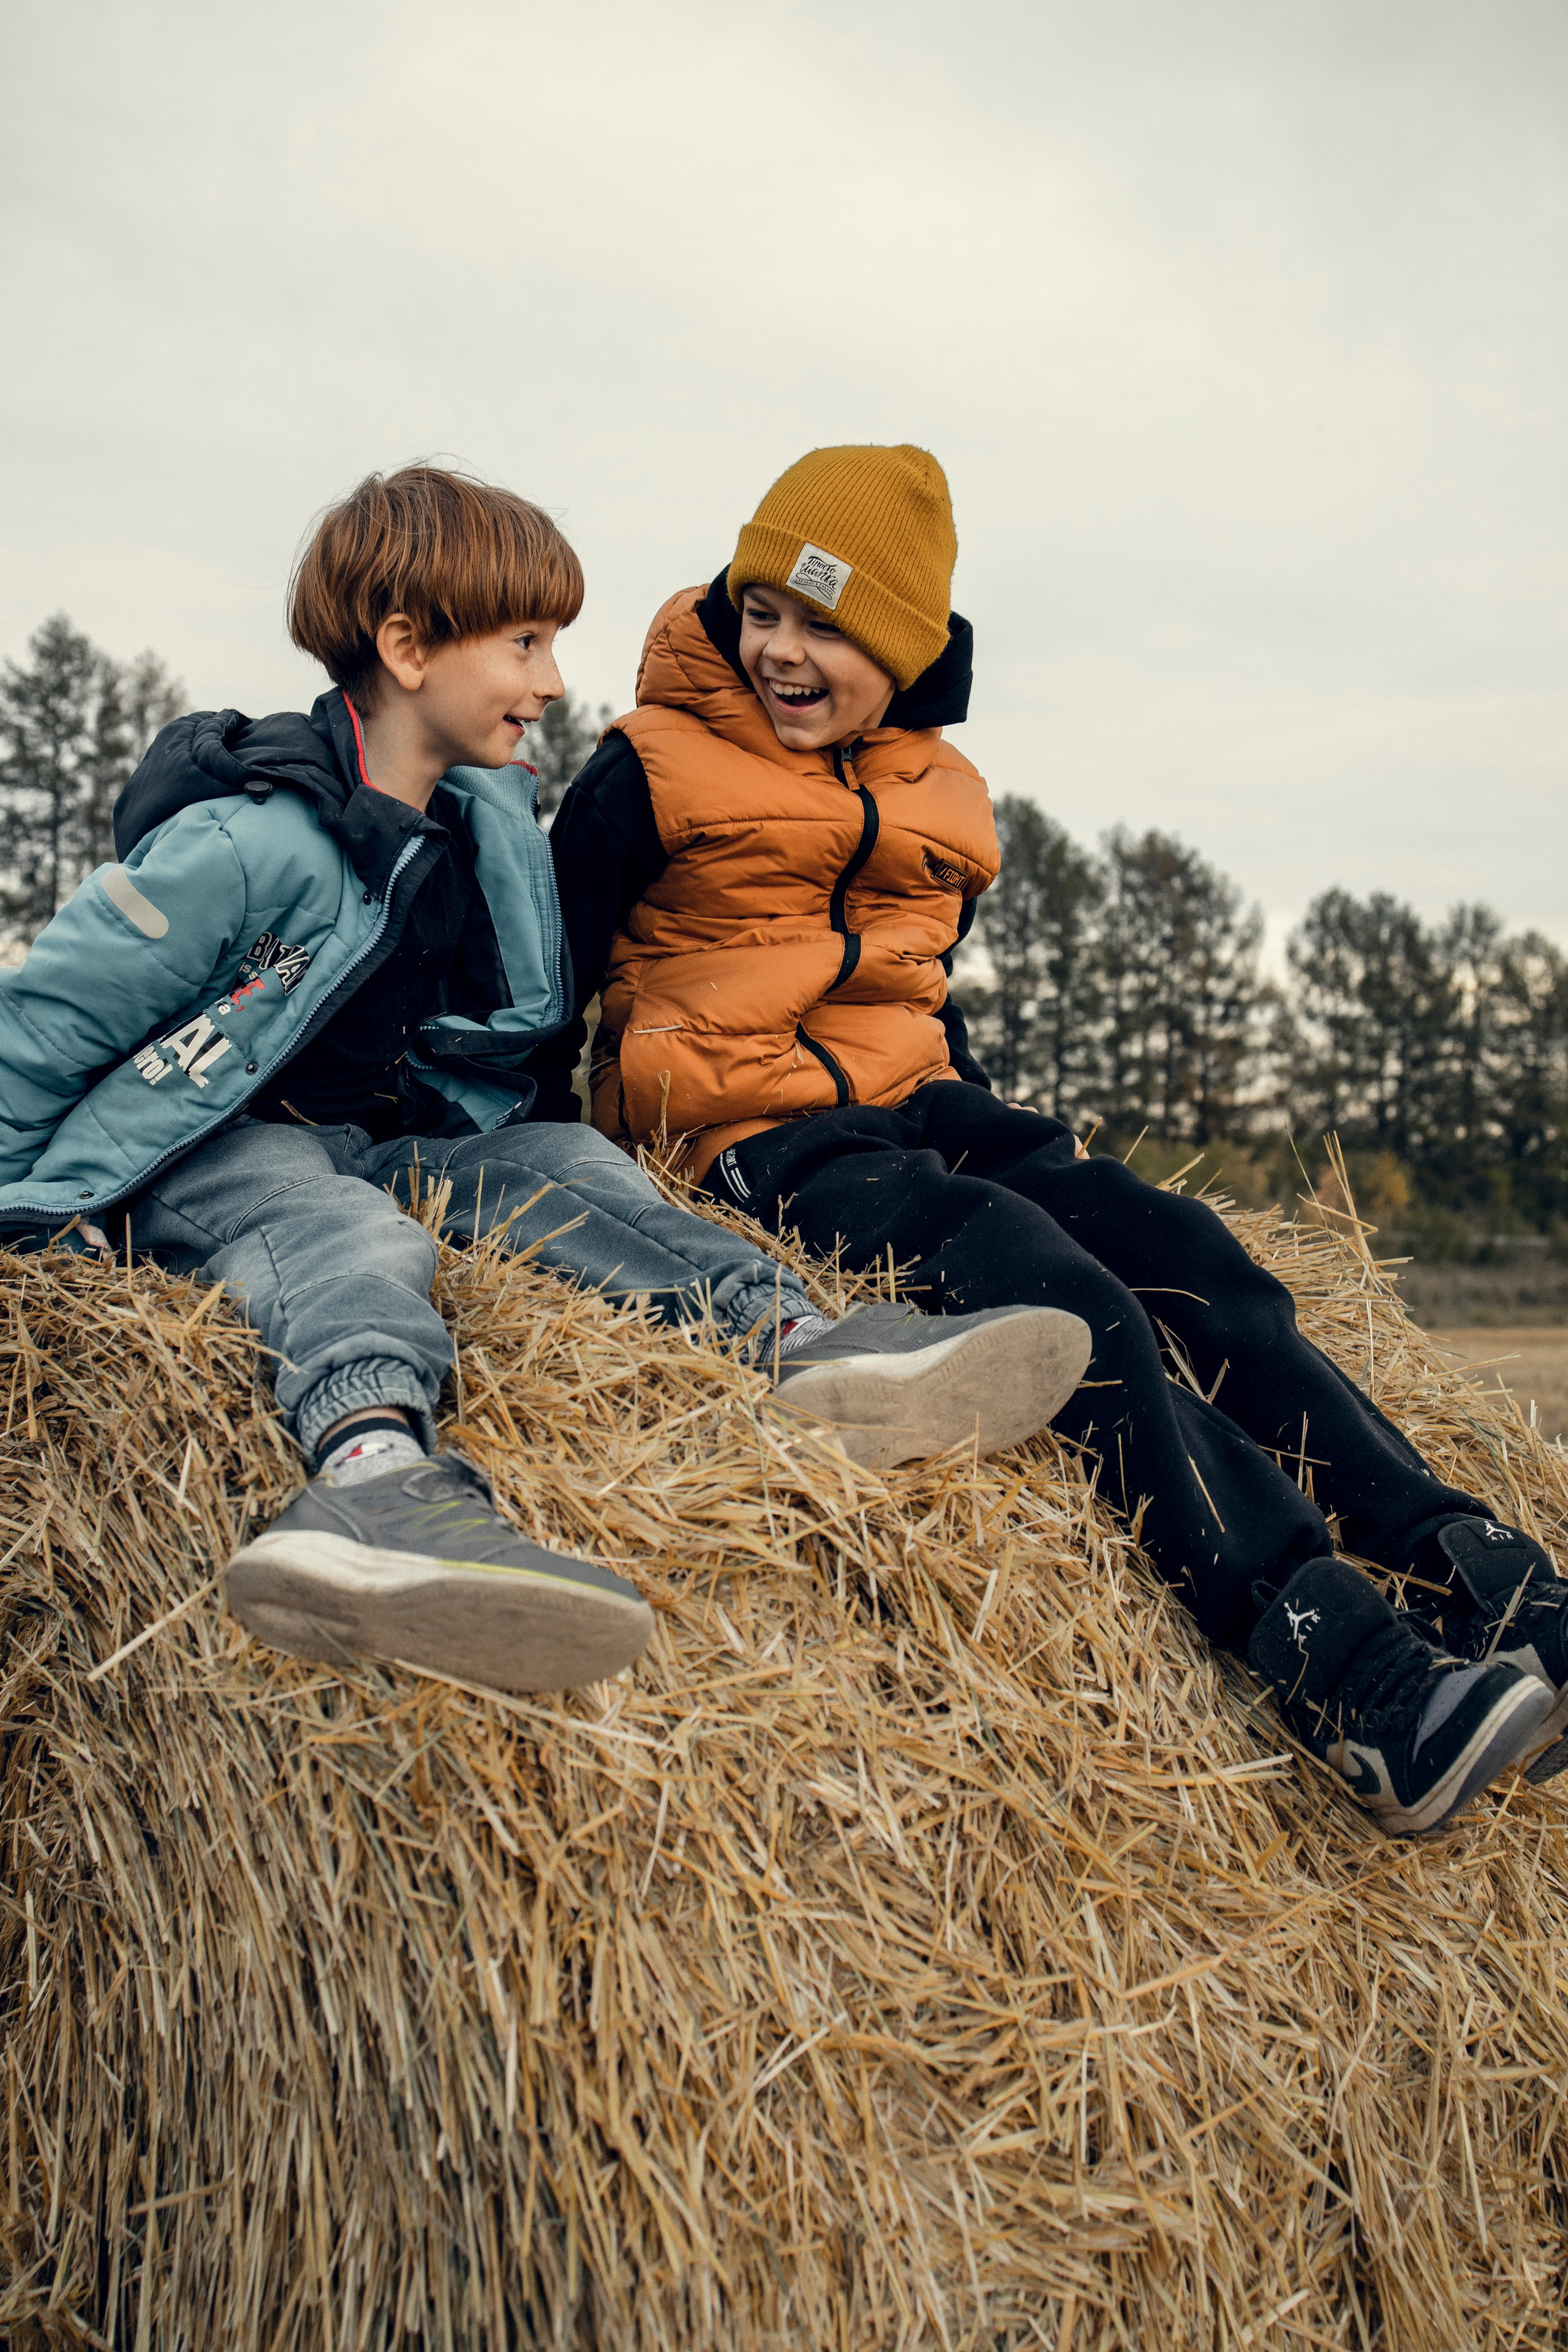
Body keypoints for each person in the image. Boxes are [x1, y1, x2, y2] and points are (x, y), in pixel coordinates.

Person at [536, 441, 1568, 1834]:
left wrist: (994, 1123)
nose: (780, 649)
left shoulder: (942, 796)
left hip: (913, 1100)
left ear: (904, 650)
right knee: (1057, 1294)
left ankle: (1478, 1572)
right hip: (747, 1135)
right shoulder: (648, 769)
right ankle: (1340, 1669)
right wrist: (550, 1170)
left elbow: (910, 984)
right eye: (760, 608)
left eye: (824, 626)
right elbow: (543, 984)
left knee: (1185, 1254)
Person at [0, 466, 1091, 1697]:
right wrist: (29, 1217)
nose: (554, 681)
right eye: (525, 644)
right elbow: (41, 1027)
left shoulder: (483, 834)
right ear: (408, 649)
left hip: (387, 1137)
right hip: (215, 1146)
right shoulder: (248, 839)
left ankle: (796, 1340)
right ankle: (371, 1476)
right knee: (346, 1234)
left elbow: (495, 1046)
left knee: (566, 1164)